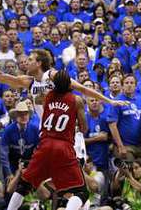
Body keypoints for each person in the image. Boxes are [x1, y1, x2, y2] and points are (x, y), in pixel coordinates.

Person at [0, 39, 127, 119]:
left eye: (30, 59)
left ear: (39, 63)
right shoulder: (28, 81)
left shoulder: (54, 75)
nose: (26, 62)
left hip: (63, 127)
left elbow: (82, 88)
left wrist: (110, 101)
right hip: (45, 128)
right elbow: (0, 77)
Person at [6, 70, 89, 210]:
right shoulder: (77, 100)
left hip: (45, 144)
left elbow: (37, 98)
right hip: (63, 146)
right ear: (70, 84)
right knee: (81, 192)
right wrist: (73, 122)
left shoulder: (47, 95)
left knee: (24, 185)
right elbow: (84, 128)